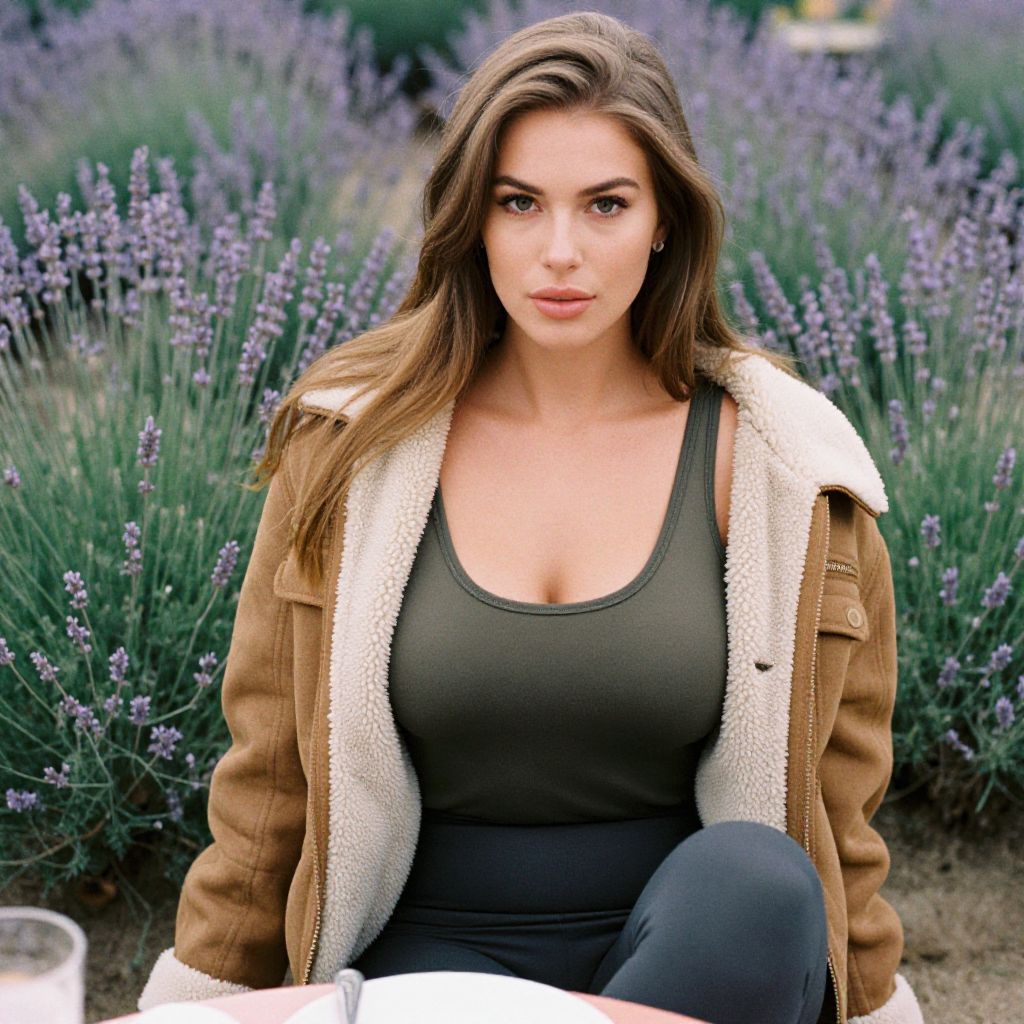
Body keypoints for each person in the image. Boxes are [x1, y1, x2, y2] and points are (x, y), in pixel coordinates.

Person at [138, 12, 925, 1024]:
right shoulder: (349, 451)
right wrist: (200, 1001)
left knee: (760, 883)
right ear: (473, 218)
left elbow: (838, 813)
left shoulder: (788, 471)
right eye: (520, 203)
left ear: (664, 220)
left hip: (697, 954)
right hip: (430, 969)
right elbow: (267, 789)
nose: (561, 251)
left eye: (605, 204)